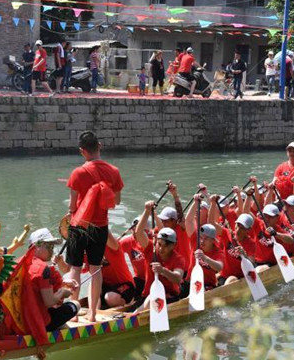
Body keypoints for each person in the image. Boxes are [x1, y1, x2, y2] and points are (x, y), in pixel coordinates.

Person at [64, 131, 124, 322]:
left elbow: (73, 206)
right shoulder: (113, 171)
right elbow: (117, 200)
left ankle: (73, 313)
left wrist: (71, 212)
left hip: (79, 225)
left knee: (74, 267)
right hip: (100, 226)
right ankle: (92, 313)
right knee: (96, 268)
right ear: (100, 145)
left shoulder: (78, 173)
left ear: (82, 151)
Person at [25, 228, 80, 331]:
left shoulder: (23, 263)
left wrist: (63, 283)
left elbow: (35, 285)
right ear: (36, 246)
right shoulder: (43, 268)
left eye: (52, 246)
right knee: (76, 304)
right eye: (48, 246)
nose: (52, 250)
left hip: (23, 319)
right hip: (38, 322)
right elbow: (49, 302)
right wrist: (63, 292)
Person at [132, 208, 187, 309]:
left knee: (148, 301)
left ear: (173, 246)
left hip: (169, 296)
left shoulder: (178, 259)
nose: (161, 249)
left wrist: (162, 270)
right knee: (145, 300)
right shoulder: (150, 248)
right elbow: (139, 232)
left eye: (166, 246)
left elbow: (178, 278)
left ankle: (135, 315)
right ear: (156, 241)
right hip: (148, 294)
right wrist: (147, 210)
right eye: (159, 244)